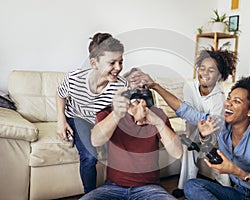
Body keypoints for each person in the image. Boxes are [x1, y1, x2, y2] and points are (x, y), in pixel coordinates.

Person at [133, 75, 250, 199]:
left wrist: (237, 172)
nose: (228, 104)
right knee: (192, 186)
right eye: (229, 99)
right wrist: (156, 86)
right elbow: (186, 111)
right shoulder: (220, 125)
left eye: (236, 102)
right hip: (239, 193)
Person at [80, 68, 183, 200]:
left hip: (149, 189)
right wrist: (117, 114)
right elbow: (95, 141)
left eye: (143, 84)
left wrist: (158, 122)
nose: (139, 87)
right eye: (134, 82)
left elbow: (178, 153)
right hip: (112, 187)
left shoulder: (157, 114)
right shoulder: (109, 113)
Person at [56, 32, 127, 193]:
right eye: (112, 63)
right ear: (94, 63)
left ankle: (119, 189)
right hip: (78, 117)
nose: (118, 68)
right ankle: (90, 195)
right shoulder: (75, 78)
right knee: (90, 157)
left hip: (102, 119)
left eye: (121, 62)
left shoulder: (121, 85)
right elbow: (60, 94)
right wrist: (61, 120)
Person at [172, 48, 237, 197]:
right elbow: (188, 112)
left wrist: (202, 136)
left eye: (211, 70)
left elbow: (214, 127)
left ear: (220, 75)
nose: (205, 73)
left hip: (216, 132)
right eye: (202, 68)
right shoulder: (190, 87)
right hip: (197, 128)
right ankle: (185, 185)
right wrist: (189, 132)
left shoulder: (219, 98)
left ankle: (226, 187)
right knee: (187, 142)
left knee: (213, 150)